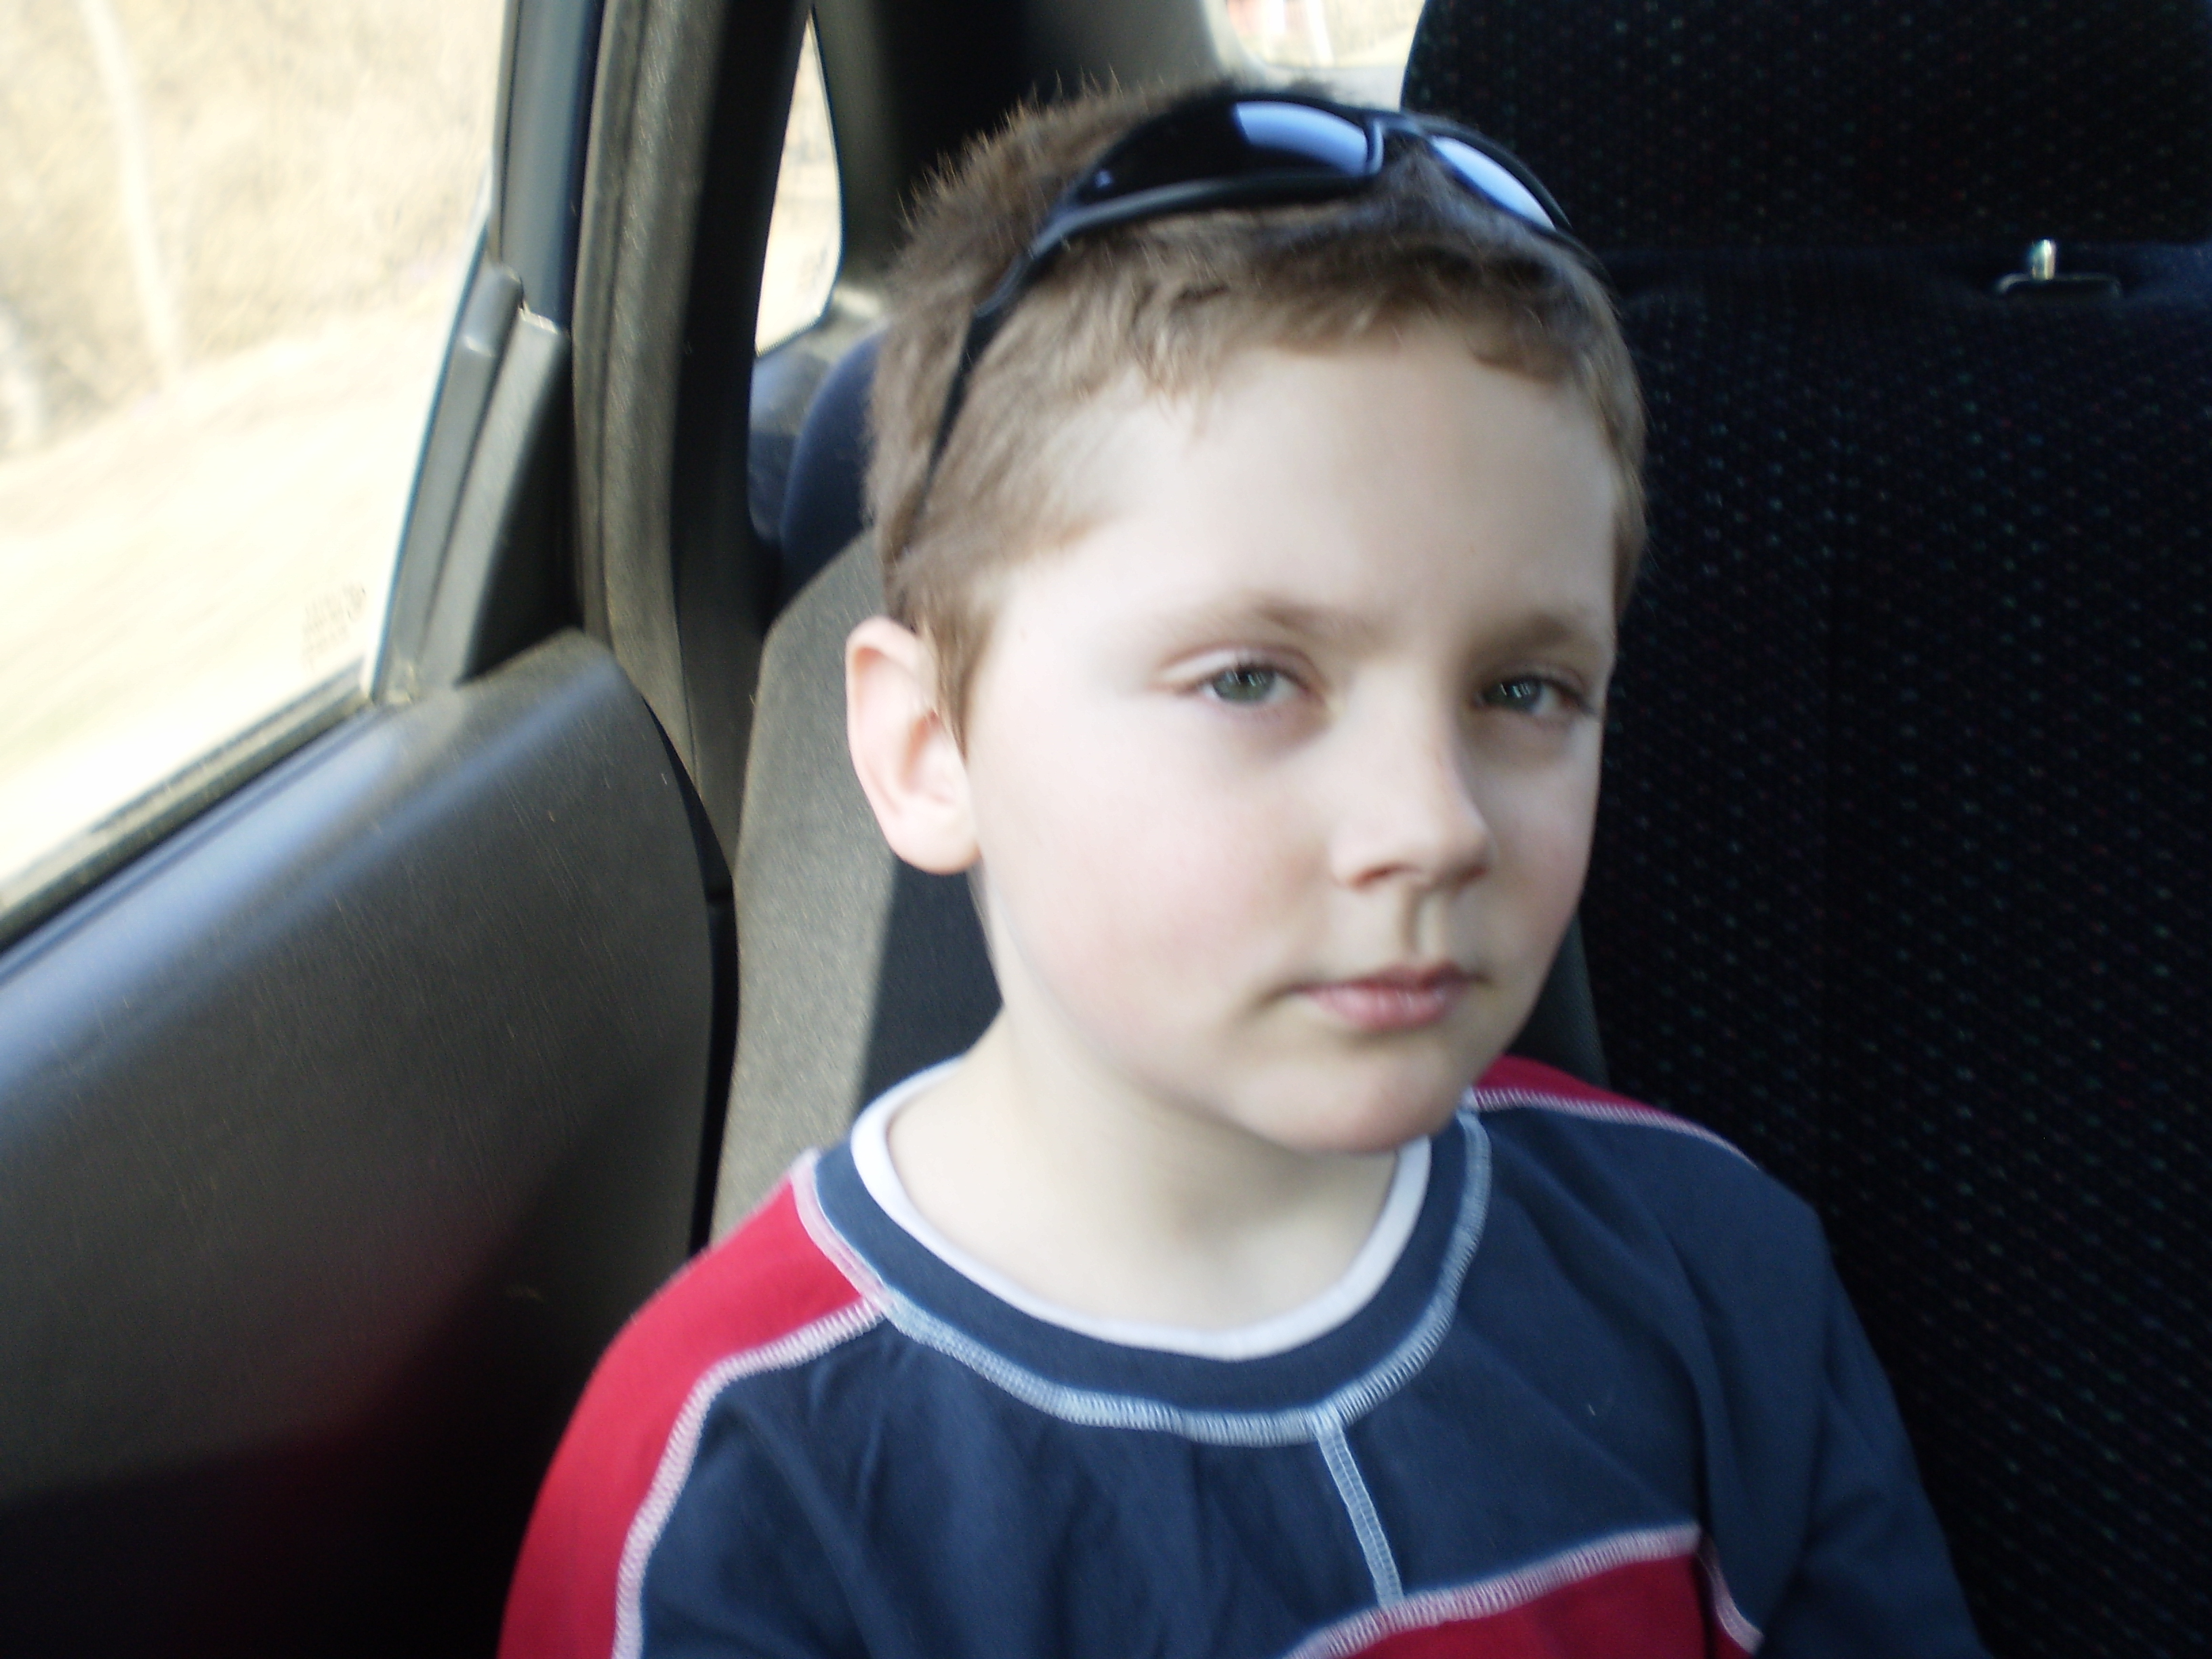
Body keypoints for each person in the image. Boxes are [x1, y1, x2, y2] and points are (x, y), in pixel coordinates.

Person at [499, 84, 1986, 1658]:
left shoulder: (1715, 1275)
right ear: (931, 746)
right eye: (1252, 679)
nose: (1436, 824)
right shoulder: (734, 1490)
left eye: (1524, 689)